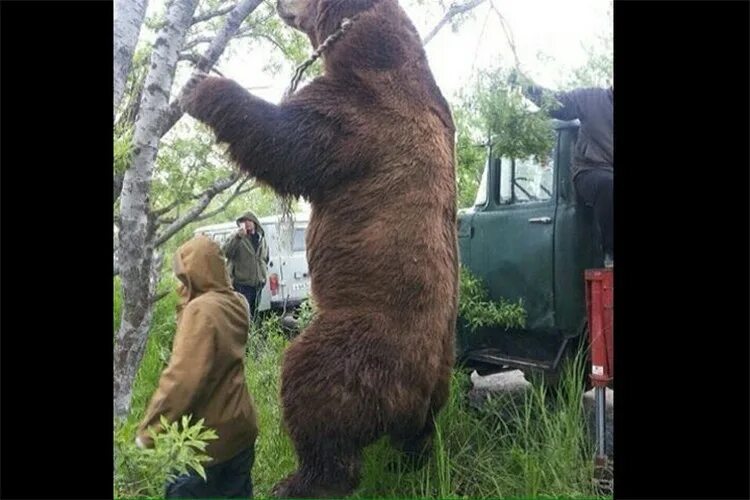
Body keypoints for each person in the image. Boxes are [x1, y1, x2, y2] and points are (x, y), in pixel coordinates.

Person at [136, 235, 258, 498]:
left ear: (195, 272)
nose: (181, 283)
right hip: (241, 430)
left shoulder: (201, 310)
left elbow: (183, 379)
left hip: (206, 442)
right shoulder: (235, 302)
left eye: (183, 276)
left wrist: (148, 432)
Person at [515, 71, 613, 267]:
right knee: (609, 184)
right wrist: (525, 86)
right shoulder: (590, 98)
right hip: (589, 171)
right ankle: (612, 252)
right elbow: (557, 104)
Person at [222, 212, 269, 318]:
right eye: (243, 221)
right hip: (242, 286)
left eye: (248, 220)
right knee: (243, 316)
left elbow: (265, 258)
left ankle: (253, 334)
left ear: (254, 222)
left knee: (255, 315)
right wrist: (238, 236)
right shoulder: (238, 238)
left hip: (258, 285)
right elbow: (226, 252)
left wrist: (263, 275)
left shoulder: (261, 238)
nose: (246, 223)